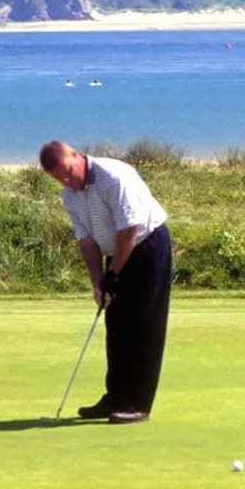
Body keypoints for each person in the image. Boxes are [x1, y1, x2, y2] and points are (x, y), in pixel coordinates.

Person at [39, 141, 172, 424]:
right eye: (58, 178)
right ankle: (115, 397)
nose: (65, 180)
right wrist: (98, 283)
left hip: (148, 246)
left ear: (76, 156)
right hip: (117, 253)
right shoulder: (70, 195)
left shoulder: (114, 175)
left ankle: (138, 404)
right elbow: (86, 242)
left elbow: (129, 229)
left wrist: (113, 273)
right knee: (117, 325)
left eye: (67, 171)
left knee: (144, 326)